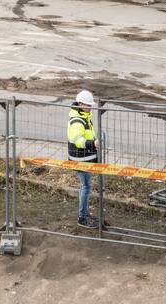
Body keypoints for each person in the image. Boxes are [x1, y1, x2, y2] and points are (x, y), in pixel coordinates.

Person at [67, 89, 98, 228]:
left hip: (84, 158)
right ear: (80, 104)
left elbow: (88, 133)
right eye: (88, 105)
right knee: (86, 187)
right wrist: (93, 143)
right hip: (81, 159)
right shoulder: (78, 120)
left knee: (84, 186)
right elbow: (78, 140)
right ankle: (82, 218)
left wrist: (94, 139)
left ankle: (84, 213)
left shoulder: (84, 117)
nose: (90, 108)